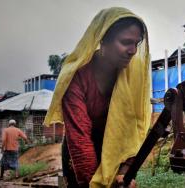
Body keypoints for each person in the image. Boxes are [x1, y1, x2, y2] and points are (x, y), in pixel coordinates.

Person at [43, 7, 152, 188]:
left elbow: (136, 124)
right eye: (126, 42)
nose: (133, 50)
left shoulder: (135, 74)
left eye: (137, 43)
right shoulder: (76, 76)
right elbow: (80, 137)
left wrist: (124, 171)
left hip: (118, 150)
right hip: (80, 150)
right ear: (103, 39)